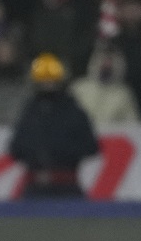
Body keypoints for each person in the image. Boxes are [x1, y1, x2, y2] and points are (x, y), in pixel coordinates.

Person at [9, 52, 100, 198]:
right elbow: (16, 148)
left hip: (67, 186)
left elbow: (91, 146)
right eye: (44, 80)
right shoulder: (31, 111)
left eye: (51, 79)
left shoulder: (73, 110)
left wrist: (62, 152)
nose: (48, 83)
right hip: (35, 187)